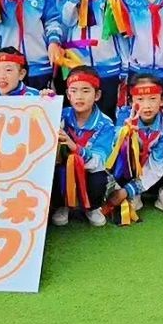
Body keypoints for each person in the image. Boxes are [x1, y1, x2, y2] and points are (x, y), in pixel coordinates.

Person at [114, 74, 163, 218]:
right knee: (124, 143)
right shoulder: (124, 116)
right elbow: (112, 152)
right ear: (131, 101)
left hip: (157, 173)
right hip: (129, 173)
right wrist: (127, 133)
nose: (147, 106)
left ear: (162, 100)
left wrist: (129, 190)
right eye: (140, 99)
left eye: (152, 98)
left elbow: (157, 163)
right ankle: (131, 193)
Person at [60, 0, 124, 116]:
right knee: (79, 114)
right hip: (77, 63)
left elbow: (121, 28)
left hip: (108, 64)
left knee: (108, 114)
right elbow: (66, 21)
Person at [50, 66, 117, 227]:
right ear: (68, 95)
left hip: (90, 171)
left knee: (98, 178)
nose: (79, 96)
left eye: (86, 91)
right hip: (64, 169)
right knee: (56, 170)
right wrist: (45, 101)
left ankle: (92, 207)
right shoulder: (61, 114)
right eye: (74, 91)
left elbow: (99, 161)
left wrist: (75, 147)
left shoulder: (105, 124)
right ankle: (62, 205)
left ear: (97, 95)